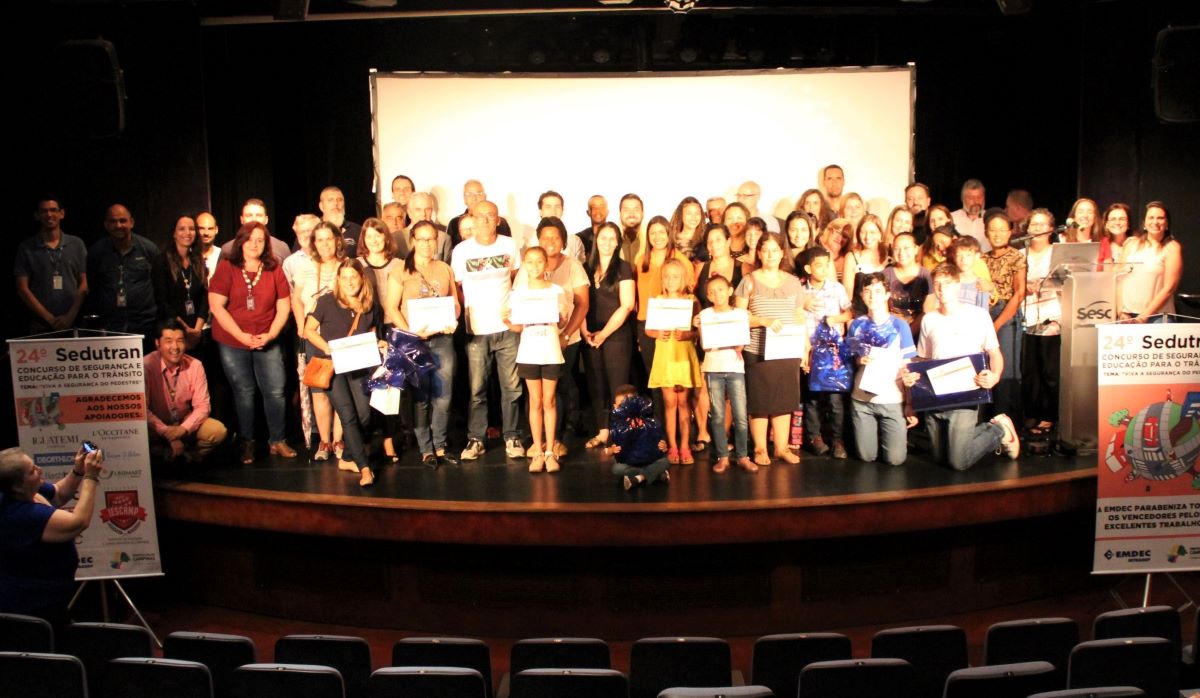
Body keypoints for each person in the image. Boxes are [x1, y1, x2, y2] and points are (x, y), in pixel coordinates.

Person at [910, 264, 1020, 470]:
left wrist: (995, 375)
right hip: (936, 396)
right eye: (937, 284)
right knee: (940, 459)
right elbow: (923, 359)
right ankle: (977, 434)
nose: (941, 289)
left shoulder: (978, 315)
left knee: (958, 461)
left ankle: (1000, 430)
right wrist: (910, 376)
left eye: (947, 284)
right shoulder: (929, 319)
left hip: (966, 393)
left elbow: (994, 353)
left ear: (958, 285)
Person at [209, 221, 296, 464]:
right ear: (241, 242)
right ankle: (247, 442)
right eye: (250, 239)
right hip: (233, 340)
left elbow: (284, 306)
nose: (254, 244)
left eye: (260, 240)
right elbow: (217, 306)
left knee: (276, 390)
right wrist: (241, 336)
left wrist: (270, 334)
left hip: (268, 338)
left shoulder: (273, 268)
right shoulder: (227, 267)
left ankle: (277, 440)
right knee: (244, 392)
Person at [451, 199, 524, 461]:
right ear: (471, 218)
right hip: (476, 330)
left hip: (507, 328)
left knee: (512, 387)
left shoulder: (509, 245)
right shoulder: (461, 250)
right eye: (479, 215)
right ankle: (476, 439)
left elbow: (517, 279)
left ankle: (512, 436)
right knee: (476, 389)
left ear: (498, 220)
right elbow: (457, 288)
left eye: (489, 215)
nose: (483, 220)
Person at [0, 446, 105, 628]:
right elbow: (78, 522)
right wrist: (91, 477)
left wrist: (78, 471)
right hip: (31, 610)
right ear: (17, 486)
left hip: (50, 602)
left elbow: (58, 494)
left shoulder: (26, 492)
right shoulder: (19, 514)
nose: (39, 469)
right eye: (32, 471)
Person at [513, 218, 590, 456]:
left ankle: (556, 440)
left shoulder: (573, 265)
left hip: (566, 339)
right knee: (536, 395)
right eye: (545, 237)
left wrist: (565, 335)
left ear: (563, 240)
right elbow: (517, 307)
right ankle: (538, 442)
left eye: (555, 237)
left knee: (561, 390)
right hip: (534, 342)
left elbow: (582, 304)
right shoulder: (527, 269)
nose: (550, 241)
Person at [389, 220, 460, 469]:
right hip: (414, 341)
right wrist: (410, 332)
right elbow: (391, 307)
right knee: (421, 397)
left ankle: (440, 444)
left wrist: (452, 319)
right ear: (413, 241)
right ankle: (426, 448)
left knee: (444, 395)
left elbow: (454, 303)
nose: (427, 244)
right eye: (422, 239)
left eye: (431, 239)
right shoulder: (400, 270)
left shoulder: (444, 268)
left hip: (442, 339)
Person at [305, 259, 383, 488]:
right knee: (347, 415)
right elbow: (308, 330)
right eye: (345, 278)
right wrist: (326, 347)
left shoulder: (371, 306)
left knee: (364, 415)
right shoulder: (326, 302)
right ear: (338, 279)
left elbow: (372, 336)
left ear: (362, 278)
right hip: (332, 366)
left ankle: (348, 457)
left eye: (353, 277)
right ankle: (364, 467)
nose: (349, 282)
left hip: (358, 366)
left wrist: (381, 344)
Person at [736, 233, 809, 467]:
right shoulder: (749, 280)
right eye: (765, 249)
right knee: (760, 401)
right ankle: (759, 448)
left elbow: (799, 316)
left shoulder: (793, 282)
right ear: (758, 252)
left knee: (784, 399)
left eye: (775, 250)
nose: (770, 254)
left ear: (782, 253)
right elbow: (739, 316)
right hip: (758, 349)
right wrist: (763, 321)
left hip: (787, 349)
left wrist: (805, 346)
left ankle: (781, 447)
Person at [505, 246, 569, 474]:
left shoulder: (556, 291)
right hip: (529, 351)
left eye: (539, 261)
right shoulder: (518, 293)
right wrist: (507, 321)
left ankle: (550, 451)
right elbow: (518, 326)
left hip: (550, 350)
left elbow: (561, 323)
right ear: (524, 264)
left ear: (546, 264)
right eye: (530, 261)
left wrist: (562, 317)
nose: (534, 266)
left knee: (549, 400)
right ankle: (537, 452)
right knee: (535, 401)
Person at [847, 272, 917, 466]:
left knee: (895, 459)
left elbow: (907, 366)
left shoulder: (900, 326)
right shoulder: (857, 325)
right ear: (862, 295)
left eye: (878, 291)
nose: (872, 296)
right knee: (866, 456)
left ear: (887, 294)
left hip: (891, 399)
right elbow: (850, 360)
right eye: (867, 291)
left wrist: (910, 403)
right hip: (862, 399)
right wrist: (859, 359)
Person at [293, 222, 346, 461]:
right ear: (314, 243)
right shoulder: (305, 267)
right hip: (314, 336)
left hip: (341, 337)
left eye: (329, 239)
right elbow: (296, 299)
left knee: (341, 391)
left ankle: (339, 440)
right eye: (320, 239)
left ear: (337, 240)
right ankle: (324, 441)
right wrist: (301, 326)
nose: (325, 244)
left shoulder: (346, 266)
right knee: (319, 389)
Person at [582, 222, 636, 450]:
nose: (606, 242)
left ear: (617, 243)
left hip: (616, 335)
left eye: (611, 238)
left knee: (618, 386)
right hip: (590, 335)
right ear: (596, 240)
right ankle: (603, 432)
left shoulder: (623, 267)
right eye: (602, 237)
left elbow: (627, 305)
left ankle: (622, 434)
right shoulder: (585, 268)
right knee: (597, 385)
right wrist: (585, 331)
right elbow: (579, 302)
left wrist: (603, 334)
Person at [145, 319, 227, 463]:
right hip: (156, 427)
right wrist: (166, 432)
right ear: (158, 343)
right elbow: (142, 410)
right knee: (136, 435)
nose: (175, 347)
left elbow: (203, 406)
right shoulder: (145, 366)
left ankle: (188, 456)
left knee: (218, 431)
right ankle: (165, 453)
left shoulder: (195, 365)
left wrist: (182, 429)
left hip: (184, 423)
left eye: (180, 341)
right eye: (168, 341)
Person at [647, 259, 702, 465]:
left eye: (676, 276)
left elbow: (698, 331)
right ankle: (672, 445)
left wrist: (687, 334)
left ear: (684, 279)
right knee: (670, 403)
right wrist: (657, 333)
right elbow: (649, 329)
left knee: (684, 403)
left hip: (684, 355)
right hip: (665, 356)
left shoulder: (691, 301)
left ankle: (685, 445)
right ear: (662, 279)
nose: (671, 280)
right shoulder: (658, 300)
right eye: (667, 276)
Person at [799, 246, 852, 459]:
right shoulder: (801, 292)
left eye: (826, 265)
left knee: (835, 397)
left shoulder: (837, 288)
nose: (823, 269)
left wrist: (835, 318)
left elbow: (849, 313)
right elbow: (797, 319)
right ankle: (814, 437)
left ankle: (837, 439)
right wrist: (804, 351)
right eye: (818, 265)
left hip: (833, 351)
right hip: (811, 349)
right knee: (812, 396)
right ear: (808, 268)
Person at [358, 217, 404, 463]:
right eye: (369, 236)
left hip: (392, 328)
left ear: (386, 237)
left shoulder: (399, 264)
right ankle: (365, 439)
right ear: (363, 239)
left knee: (389, 388)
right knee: (366, 388)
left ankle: (388, 438)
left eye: (378, 235)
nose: (374, 240)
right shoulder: (355, 264)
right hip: (365, 330)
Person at [696, 273, 752, 473]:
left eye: (720, 289)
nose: (716, 294)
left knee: (740, 414)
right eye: (711, 291)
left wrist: (736, 342)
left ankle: (743, 456)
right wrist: (700, 327)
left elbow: (741, 343)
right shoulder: (705, 315)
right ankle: (723, 456)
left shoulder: (740, 314)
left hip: (735, 368)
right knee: (718, 415)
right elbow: (705, 345)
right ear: (708, 296)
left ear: (729, 291)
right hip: (713, 368)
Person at [635, 216, 691, 391]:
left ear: (669, 234)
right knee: (654, 376)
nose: (657, 237)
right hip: (647, 325)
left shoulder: (681, 260)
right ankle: (658, 410)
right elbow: (637, 296)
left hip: (674, 326)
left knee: (673, 380)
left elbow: (689, 293)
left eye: (661, 232)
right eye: (653, 233)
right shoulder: (641, 261)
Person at [16, 196, 88, 333]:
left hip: (73, 321)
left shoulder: (76, 244)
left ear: (62, 214)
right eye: (44, 211)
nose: (49, 214)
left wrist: (70, 316)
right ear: (37, 215)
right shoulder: (27, 247)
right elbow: (22, 288)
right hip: (40, 323)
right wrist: (49, 318)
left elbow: (84, 283)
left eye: (53, 210)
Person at [87, 204, 158, 340]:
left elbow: (159, 287)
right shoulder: (96, 253)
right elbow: (93, 290)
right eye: (113, 221)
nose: (118, 225)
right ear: (106, 225)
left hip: (145, 325)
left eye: (123, 221)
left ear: (131, 222)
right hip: (110, 326)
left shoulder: (148, 249)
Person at [1021, 208, 1062, 437]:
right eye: (1033, 224)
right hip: (1026, 316)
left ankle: (1049, 416)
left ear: (1051, 229)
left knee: (1049, 370)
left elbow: (1066, 281)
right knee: (1030, 370)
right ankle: (1031, 413)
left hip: (1051, 315)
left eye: (1042, 224)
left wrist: (1045, 285)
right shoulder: (1020, 253)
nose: (1037, 229)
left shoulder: (1057, 252)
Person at [982, 211, 1026, 420]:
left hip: (1007, 314)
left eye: (1002, 230)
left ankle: (1006, 421)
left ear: (1010, 232)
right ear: (986, 233)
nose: (997, 234)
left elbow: (1019, 293)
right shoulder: (981, 259)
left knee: (1006, 370)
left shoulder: (1017, 257)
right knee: (984, 365)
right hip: (984, 313)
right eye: (993, 230)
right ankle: (986, 419)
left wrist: (997, 323)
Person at [1117, 201, 1181, 322]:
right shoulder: (1131, 244)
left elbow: (1169, 287)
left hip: (1157, 317)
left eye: (1160, 218)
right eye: (1151, 218)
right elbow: (1119, 279)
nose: (1155, 222)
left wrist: (1143, 317)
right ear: (1144, 222)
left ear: (1167, 223)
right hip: (1127, 316)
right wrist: (1121, 311)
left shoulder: (1172, 247)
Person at [152, 215, 208, 351]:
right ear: (174, 234)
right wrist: (185, 329)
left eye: (191, 229)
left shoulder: (198, 260)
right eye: (182, 229)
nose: (188, 233)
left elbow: (204, 297)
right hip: (172, 330)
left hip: (196, 331)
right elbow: (161, 301)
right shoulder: (161, 261)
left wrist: (196, 330)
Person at [606, 385, 671, 490]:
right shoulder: (617, 426)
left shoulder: (648, 422)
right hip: (629, 464)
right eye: (621, 405)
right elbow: (608, 450)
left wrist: (663, 446)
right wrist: (612, 450)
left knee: (665, 462)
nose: (625, 408)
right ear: (615, 407)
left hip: (649, 461)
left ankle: (639, 478)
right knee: (617, 468)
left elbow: (661, 443)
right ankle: (655, 475)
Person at [883, 232, 932, 338]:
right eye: (897, 248)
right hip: (892, 332)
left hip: (920, 333)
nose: (901, 252)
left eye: (906, 248)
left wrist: (907, 335)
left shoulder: (926, 275)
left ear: (916, 249)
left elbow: (928, 311)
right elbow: (882, 309)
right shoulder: (886, 274)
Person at [843, 213, 889, 312]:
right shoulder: (851, 257)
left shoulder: (889, 256)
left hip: (885, 314)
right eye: (863, 232)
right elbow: (847, 298)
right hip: (859, 314)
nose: (868, 237)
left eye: (872, 232)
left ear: (880, 234)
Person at [220, 199, 292, 262]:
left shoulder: (281, 248)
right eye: (249, 215)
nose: (254, 219)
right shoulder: (228, 249)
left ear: (266, 220)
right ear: (242, 220)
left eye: (258, 215)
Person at [447, 179, 511, 245]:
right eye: (469, 194)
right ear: (464, 199)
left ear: (485, 196)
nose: (474, 198)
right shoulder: (454, 223)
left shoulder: (499, 222)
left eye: (478, 193)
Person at [407, 192, 454, 262]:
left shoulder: (444, 238)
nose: (423, 214)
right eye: (418, 209)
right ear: (409, 212)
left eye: (427, 209)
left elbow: (447, 267)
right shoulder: (398, 237)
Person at [318, 185, 361, 256]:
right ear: (321, 206)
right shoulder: (313, 230)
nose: (336, 203)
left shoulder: (357, 230)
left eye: (340, 200)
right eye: (330, 200)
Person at [951, 178, 988, 250]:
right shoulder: (952, 218)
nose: (976, 201)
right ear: (962, 199)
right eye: (971, 198)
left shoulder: (991, 218)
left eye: (979, 197)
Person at [670, 196, 709, 262]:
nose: (693, 217)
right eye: (689, 213)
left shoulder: (707, 238)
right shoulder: (671, 239)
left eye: (697, 213)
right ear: (681, 215)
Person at [817, 217, 853, 283]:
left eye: (845, 236)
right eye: (838, 232)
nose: (840, 238)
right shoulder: (815, 250)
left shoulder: (849, 258)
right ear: (829, 230)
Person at [575, 194, 608, 262]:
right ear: (588, 212)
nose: (598, 211)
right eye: (594, 207)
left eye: (602, 207)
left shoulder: (616, 237)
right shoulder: (579, 239)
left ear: (607, 212)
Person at [618, 193, 645, 264]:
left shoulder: (652, 240)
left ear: (643, 213)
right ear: (620, 214)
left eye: (636, 210)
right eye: (626, 210)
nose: (631, 214)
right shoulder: (611, 241)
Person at [195, 211, 222, 280]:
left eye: (210, 229)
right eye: (201, 228)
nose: (206, 233)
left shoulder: (222, 255)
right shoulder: (188, 256)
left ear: (216, 230)